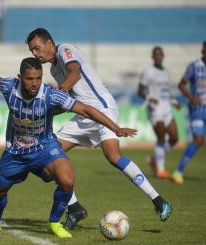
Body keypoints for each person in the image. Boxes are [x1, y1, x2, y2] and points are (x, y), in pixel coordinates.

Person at [0, 57, 137, 238]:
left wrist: (115, 128)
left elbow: (86, 110)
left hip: (44, 148)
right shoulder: (9, 86)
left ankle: (54, 223)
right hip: (15, 152)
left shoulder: (51, 94)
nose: (34, 83)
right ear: (20, 77)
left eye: (38, 78)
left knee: (67, 179)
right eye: (29, 79)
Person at [26, 28, 173, 230]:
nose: (35, 53)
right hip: (83, 115)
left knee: (113, 156)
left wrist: (61, 89)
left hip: (102, 107)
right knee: (45, 158)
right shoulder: (53, 70)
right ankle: (75, 207)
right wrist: (45, 111)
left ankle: (158, 200)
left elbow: (74, 73)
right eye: (31, 50)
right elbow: (69, 101)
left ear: (49, 42)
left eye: (36, 47)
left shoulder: (65, 50)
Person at [172, 40, 206, 184]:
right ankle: (178, 172)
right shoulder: (194, 67)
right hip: (197, 110)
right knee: (199, 139)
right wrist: (191, 97)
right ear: (202, 52)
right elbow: (181, 84)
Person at [138, 46, 181, 179]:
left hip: (167, 108)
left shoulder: (166, 72)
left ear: (163, 56)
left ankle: (154, 159)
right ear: (152, 57)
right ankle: (160, 170)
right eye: (156, 55)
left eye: (160, 55)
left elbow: (166, 91)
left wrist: (174, 101)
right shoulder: (148, 72)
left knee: (174, 138)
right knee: (161, 138)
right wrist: (149, 98)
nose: (158, 57)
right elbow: (140, 90)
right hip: (155, 109)